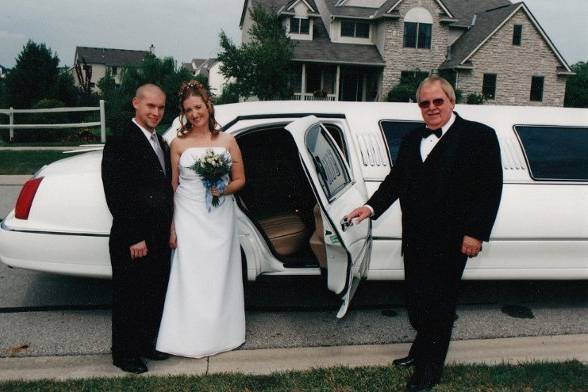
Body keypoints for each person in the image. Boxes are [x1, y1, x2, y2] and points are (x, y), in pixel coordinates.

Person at [347, 76, 503, 391]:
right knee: (418, 302)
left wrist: (475, 233)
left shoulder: (479, 136)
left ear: (451, 101)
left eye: (437, 101)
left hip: (453, 241)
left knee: (440, 306)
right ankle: (421, 351)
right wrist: (370, 207)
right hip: (416, 238)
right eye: (425, 103)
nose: (431, 108)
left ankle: (429, 371)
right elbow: (395, 180)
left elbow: (490, 188)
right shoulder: (412, 138)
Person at [156, 80, 246, 358]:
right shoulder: (177, 144)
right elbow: (172, 185)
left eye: (198, 107)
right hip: (188, 215)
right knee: (190, 274)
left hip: (219, 216)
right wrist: (171, 225)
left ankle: (221, 334)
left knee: (218, 273)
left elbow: (240, 180)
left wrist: (223, 188)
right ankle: (186, 336)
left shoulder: (227, 141)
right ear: (183, 114)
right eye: (188, 110)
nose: (194, 114)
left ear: (208, 105)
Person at [101, 84, 173, 374]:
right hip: (133, 237)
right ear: (136, 104)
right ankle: (123, 354)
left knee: (151, 293)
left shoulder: (159, 141)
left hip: (156, 235)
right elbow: (116, 192)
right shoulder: (121, 140)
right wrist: (134, 237)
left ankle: (144, 344)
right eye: (150, 106)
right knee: (129, 297)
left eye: (161, 108)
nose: (156, 112)